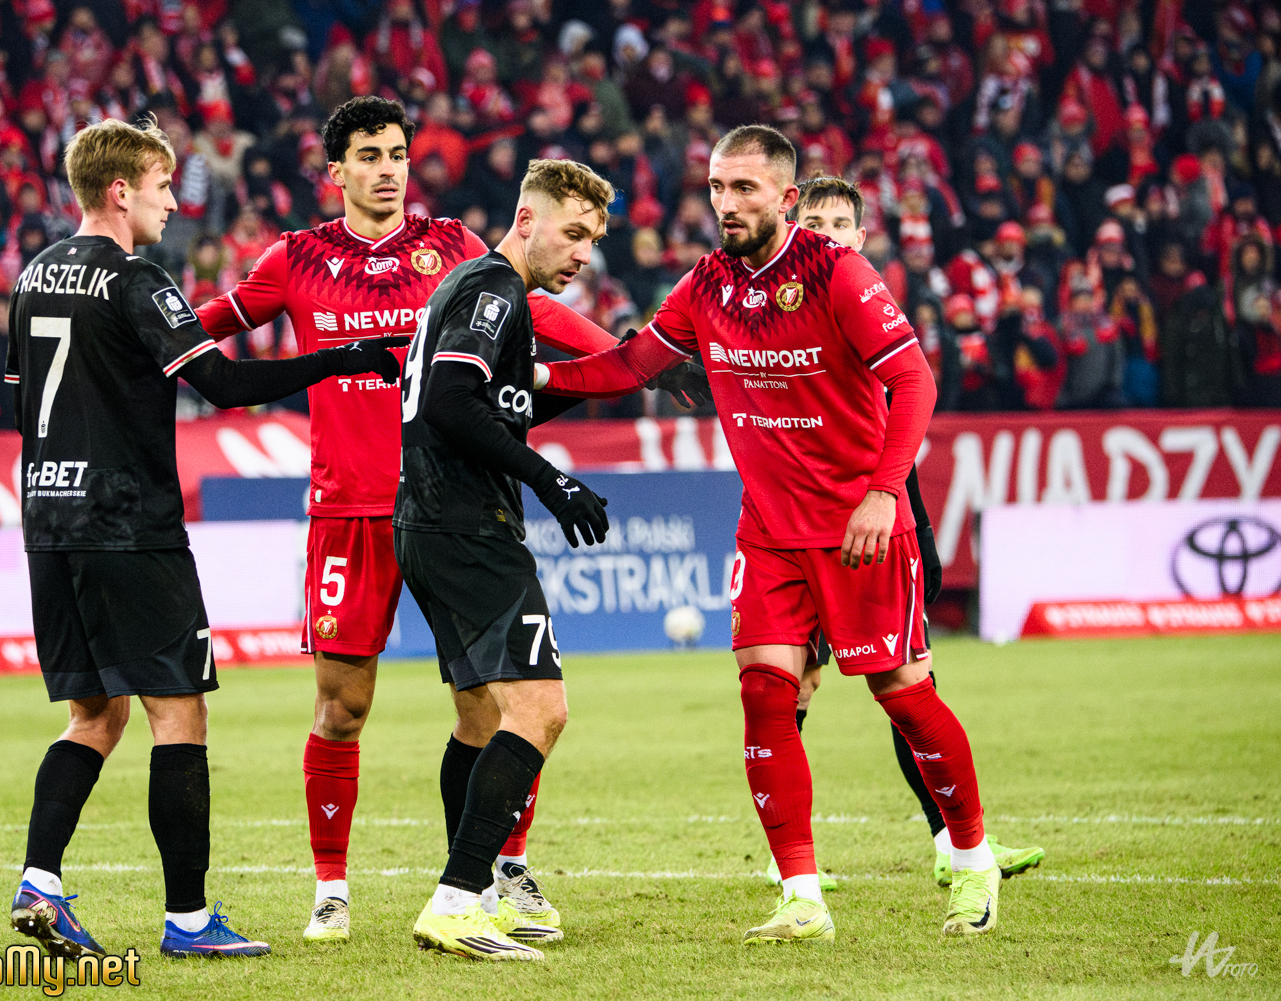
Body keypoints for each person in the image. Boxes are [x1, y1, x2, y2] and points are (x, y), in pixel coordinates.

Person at [537, 126, 1009, 941]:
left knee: (903, 694)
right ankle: (800, 894)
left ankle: (972, 861)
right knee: (765, 694)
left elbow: (914, 380)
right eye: (717, 187)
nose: (726, 203)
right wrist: (537, 373)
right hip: (768, 531)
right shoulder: (706, 282)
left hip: (858, 528)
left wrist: (883, 493)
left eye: (744, 188)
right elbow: (632, 364)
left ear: (787, 198)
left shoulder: (837, 272)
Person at [195, 96, 620, 944]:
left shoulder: (453, 247)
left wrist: (619, 354)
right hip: (348, 508)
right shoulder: (295, 258)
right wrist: (140, 348)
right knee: (343, 706)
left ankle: (499, 873)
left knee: (493, 704)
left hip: (439, 499)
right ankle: (331, 887)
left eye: (396, 153)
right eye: (369, 155)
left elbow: (534, 312)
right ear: (336, 171)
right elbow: (202, 333)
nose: (388, 169)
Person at [5, 116, 406, 962]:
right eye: (161, 187)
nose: (171, 202)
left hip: (47, 521)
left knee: (94, 714)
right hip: (130, 523)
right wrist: (339, 359)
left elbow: (20, 396)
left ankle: (39, 881)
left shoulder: (32, 276)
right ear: (121, 190)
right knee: (178, 713)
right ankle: (188, 920)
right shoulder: (136, 277)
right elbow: (219, 381)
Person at [783, 175, 1045, 889]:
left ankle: (949, 842)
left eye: (840, 224)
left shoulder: (871, 305)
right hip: (802, 527)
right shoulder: (779, 311)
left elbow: (899, 422)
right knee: (792, 686)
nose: (828, 234)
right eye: (814, 223)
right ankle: (791, 858)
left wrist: (917, 528)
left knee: (907, 685)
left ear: (862, 238)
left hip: (881, 522)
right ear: (794, 230)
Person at [397, 158, 615, 961]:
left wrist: (603, 379)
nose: (583, 252)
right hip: (470, 527)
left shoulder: (470, 288)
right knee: (541, 710)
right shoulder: (495, 289)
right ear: (527, 220)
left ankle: (479, 893)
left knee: (479, 719)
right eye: (573, 232)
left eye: (592, 239)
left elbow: (497, 403)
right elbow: (452, 402)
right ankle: (457, 898)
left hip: (425, 523)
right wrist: (553, 481)